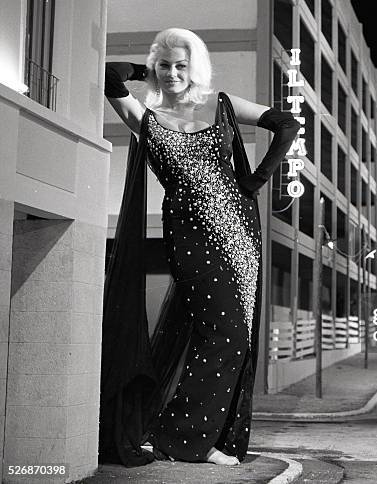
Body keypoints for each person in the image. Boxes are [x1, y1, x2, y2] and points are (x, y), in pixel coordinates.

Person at [100, 28, 300, 467]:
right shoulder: (145, 117)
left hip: (240, 234)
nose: (172, 73)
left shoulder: (222, 104)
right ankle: (184, 438)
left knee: (237, 340)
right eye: (164, 65)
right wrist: (144, 71)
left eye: (180, 65)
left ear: (196, 68)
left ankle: (201, 437)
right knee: (222, 334)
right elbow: (109, 76)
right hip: (189, 236)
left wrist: (255, 182)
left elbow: (287, 124)